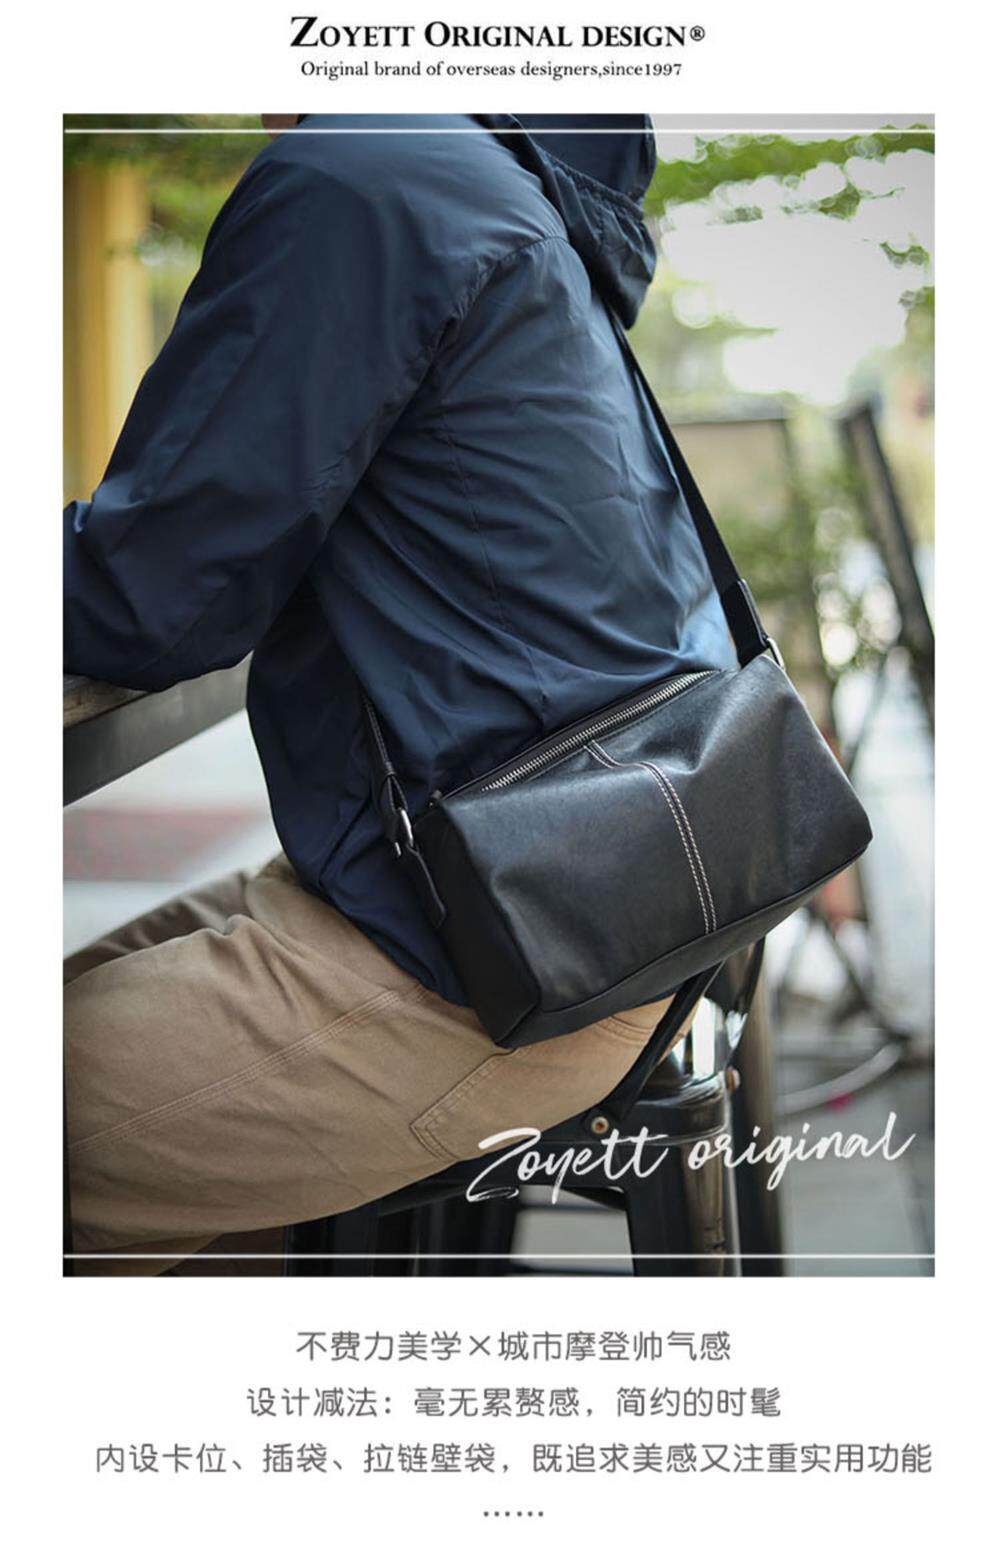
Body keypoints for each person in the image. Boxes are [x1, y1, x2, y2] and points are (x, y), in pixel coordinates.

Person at [63, 113, 736, 1272]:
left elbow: (155, 598)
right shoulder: (513, 197)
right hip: (568, 900)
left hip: (492, 961)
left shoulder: (364, 171)